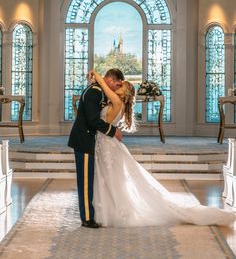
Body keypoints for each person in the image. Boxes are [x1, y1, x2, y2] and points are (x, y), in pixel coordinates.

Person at [90, 70, 236, 227]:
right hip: (106, 144)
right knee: (110, 179)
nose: (118, 86)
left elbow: (105, 88)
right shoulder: (118, 104)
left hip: (107, 145)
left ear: (125, 92)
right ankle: (105, 210)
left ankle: (111, 211)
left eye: (121, 85)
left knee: (111, 179)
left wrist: (96, 75)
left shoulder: (118, 103)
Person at [68, 68, 124, 228]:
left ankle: (89, 214)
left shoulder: (99, 91)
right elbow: (93, 120)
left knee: (89, 179)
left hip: (88, 139)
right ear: (110, 80)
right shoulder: (94, 92)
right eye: (116, 84)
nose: (116, 88)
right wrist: (113, 131)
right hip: (84, 140)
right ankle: (87, 218)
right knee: (85, 181)